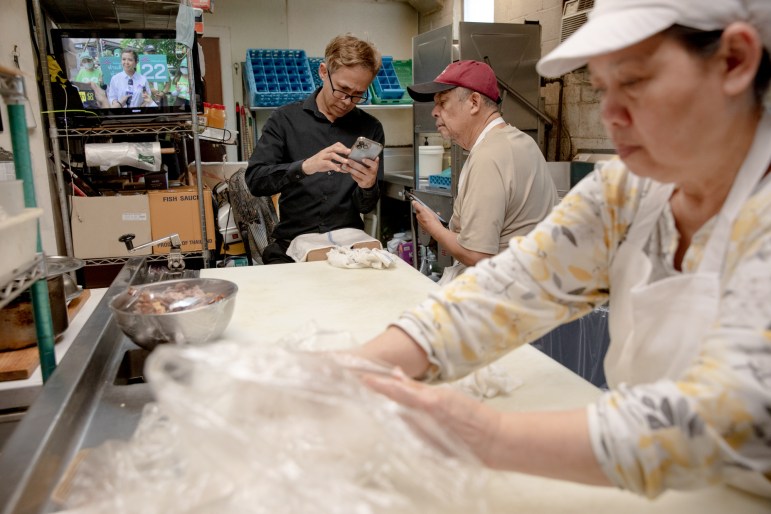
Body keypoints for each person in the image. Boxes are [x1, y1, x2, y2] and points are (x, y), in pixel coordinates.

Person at [354, 0, 771, 499]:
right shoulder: (629, 191)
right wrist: (354, 369)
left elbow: (727, 416)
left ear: (734, 61)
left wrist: (486, 435)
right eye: (602, 89)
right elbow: (509, 286)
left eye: (634, 81)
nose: (610, 115)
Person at [406, 60, 558, 283]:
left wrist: (434, 228)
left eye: (443, 102)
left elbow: (477, 255)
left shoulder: (488, 156)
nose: (434, 112)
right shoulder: (520, 140)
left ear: (474, 102)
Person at [245, 34, 384, 264]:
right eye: (342, 89)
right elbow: (255, 181)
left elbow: (366, 206)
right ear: (323, 72)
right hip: (292, 244)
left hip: (347, 246)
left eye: (358, 94)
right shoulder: (284, 120)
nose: (347, 101)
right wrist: (305, 167)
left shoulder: (370, 128)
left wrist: (368, 186)